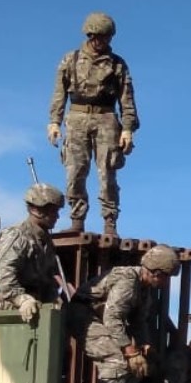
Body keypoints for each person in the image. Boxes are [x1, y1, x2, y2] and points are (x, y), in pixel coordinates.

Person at [67, 245, 179, 383]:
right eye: (166, 276)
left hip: (99, 319)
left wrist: (145, 347)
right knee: (117, 360)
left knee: (137, 368)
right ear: (156, 272)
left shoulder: (144, 289)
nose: (166, 282)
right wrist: (129, 351)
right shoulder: (128, 280)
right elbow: (113, 318)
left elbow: (138, 321)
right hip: (82, 315)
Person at [47, 12, 138, 235]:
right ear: (89, 35)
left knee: (107, 173)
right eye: (96, 36)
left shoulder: (117, 64)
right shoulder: (71, 59)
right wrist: (54, 121)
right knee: (75, 171)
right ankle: (77, 219)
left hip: (107, 118)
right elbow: (59, 93)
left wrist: (127, 129)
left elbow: (127, 98)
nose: (101, 41)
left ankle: (110, 222)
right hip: (77, 116)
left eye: (105, 37)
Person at [0, 183, 64, 320]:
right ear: (37, 211)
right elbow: (3, 276)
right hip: (11, 312)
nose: (58, 217)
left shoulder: (46, 241)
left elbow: (48, 279)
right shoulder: (17, 235)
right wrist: (22, 299)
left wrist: (53, 299)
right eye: (53, 211)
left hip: (37, 309)